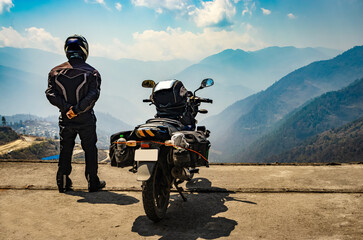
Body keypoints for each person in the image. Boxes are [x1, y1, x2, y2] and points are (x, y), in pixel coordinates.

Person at [45, 34, 106, 193]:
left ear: (67, 50)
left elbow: (50, 94)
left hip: (66, 119)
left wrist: (67, 109)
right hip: (85, 118)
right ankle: (93, 182)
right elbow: (93, 95)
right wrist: (77, 110)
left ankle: (63, 182)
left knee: (66, 149)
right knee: (90, 149)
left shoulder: (55, 72)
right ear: (84, 50)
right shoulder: (92, 73)